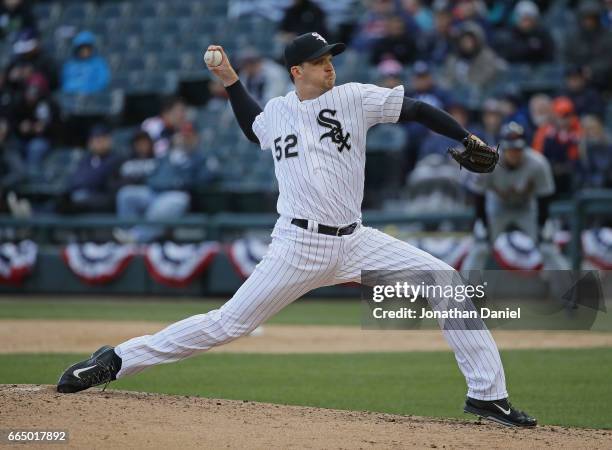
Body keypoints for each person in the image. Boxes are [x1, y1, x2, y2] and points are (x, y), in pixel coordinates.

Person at [57, 32, 536, 428]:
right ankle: (117, 359)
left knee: (445, 281)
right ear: (296, 72)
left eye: (330, 59)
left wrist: (466, 138)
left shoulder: (354, 97)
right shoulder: (279, 111)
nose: (329, 67)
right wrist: (230, 83)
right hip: (297, 245)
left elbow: (416, 110)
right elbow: (253, 128)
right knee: (229, 324)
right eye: (318, 61)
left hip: (355, 240)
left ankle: (487, 395)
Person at [462, 122, 567, 271]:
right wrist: (482, 221)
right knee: (480, 248)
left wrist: (544, 223)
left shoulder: (538, 163)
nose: (514, 153)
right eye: (510, 148)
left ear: (524, 147)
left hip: (526, 207)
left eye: (517, 149)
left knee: (547, 247)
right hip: (497, 207)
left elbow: (545, 197)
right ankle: (462, 291)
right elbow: (479, 194)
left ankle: (572, 290)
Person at [113, 123, 217, 243]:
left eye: (188, 136)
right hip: (154, 192)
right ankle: (126, 233)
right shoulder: (166, 156)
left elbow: (206, 178)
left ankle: (137, 237)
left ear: (196, 138)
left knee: (165, 204)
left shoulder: (201, 158)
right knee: (127, 194)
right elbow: (151, 173)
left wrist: (183, 179)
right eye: (182, 135)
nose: (184, 139)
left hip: (177, 195)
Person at [60, 125, 121, 214]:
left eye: (102, 139)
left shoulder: (116, 159)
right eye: (95, 140)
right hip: (80, 196)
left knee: (78, 201)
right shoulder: (85, 159)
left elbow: (102, 181)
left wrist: (87, 180)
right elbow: (75, 180)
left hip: (101, 197)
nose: (98, 143)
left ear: (109, 140)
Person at [11, 72, 58, 173]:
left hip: (42, 139)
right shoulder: (19, 102)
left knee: (35, 147)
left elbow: (57, 127)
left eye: (35, 92)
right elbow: (12, 122)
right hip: (21, 138)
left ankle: (29, 179)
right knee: (12, 146)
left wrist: (44, 128)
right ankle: (17, 176)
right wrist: (20, 126)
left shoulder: (49, 104)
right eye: (29, 92)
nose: (31, 95)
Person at [442, 21, 507, 91]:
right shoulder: (454, 58)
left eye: (470, 40)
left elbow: (484, 81)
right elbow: (447, 79)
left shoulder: (487, 57)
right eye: (464, 40)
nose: (467, 44)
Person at [61, 31, 110, 95]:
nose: (84, 51)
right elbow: (64, 81)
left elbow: (102, 82)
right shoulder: (69, 65)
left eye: (86, 48)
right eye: (81, 48)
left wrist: (88, 90)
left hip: (92, 97)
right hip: (70, 97)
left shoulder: (99, 63)